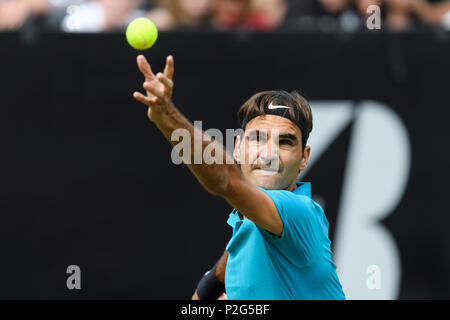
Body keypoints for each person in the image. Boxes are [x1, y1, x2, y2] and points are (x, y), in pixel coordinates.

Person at [132, 55, 346, 300]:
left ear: (304, 158)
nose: (269, 154)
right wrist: (213, 284)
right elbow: (218, 276)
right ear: (237, 147)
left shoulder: (299, 211)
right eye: (257, 138)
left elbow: (226, 180)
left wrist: (166, 116)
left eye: (285, 143)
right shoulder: (249, 222)